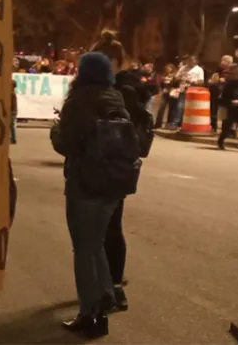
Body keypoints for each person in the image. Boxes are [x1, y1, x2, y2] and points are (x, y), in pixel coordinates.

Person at [50, 51, 131, 338]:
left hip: (85, 183)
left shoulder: (79, 101)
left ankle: (90, 314)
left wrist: (55, 130)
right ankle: (106, 295)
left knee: (83, 249)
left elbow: (66, 143)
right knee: (96, 244)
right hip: (113, 184)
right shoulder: (114, 98)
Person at [88, 30, 153, 314]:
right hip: (108, 166)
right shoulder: (117, 87)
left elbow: (130, 133)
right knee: (105, 228)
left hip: (112, 167)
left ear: (114, 61)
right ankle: (106, 284)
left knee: (109, 228)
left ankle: (113, 286)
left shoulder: (122, 90)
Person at [217, 64, 238, 150]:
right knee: (227, 128)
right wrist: (231, 102)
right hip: (229, 108)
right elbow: (221, 98)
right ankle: (221, 141)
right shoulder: (227, 85)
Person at [154, 63, 177, 129]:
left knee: (171, 108)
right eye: (167, 68)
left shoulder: (175, 76)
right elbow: (161, 85)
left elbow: (176, 84)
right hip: (165, 92)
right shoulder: (164, 75)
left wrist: (170, 82)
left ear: (172, 68)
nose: (168, 69)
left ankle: (169, 123)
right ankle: (158, 123)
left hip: (172, 93)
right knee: (161, 107)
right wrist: (163, 82)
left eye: (169, 68)